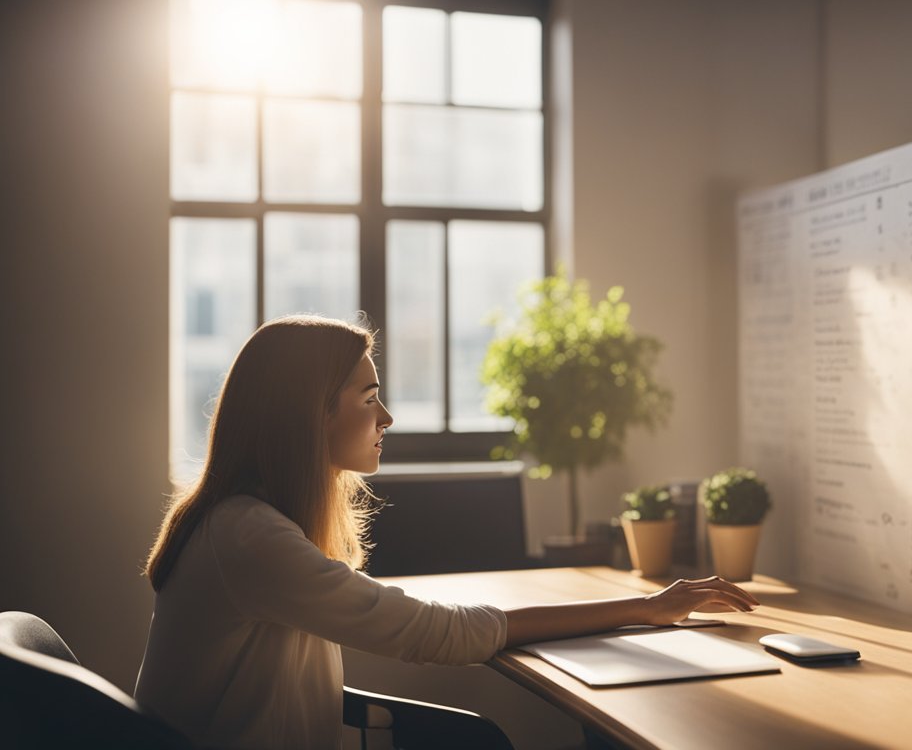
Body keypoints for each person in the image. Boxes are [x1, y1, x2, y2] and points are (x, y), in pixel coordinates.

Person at [135, 314, 759, 749]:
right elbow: (444, 634)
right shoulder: (250, 537)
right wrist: (645, 608)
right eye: (368, 397)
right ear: (311, 414)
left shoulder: (244, 522)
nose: (387, 416)